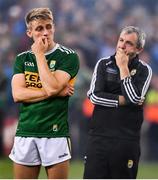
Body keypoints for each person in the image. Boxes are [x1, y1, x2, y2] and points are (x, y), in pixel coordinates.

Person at [9, 8, 79, 179]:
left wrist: (39, 55)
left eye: (49, 27)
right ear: (29, 32)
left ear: (54, 27)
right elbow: (18, 95)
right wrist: (54, 91)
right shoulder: (22, 59)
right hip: (26, 130)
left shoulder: (68, 56)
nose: (45, 32)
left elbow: (52, 87)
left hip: (55, 133)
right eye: (39, 28)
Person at [83, 26, 152, 179]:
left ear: (139, 49)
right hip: (99, 138)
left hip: (126, 140)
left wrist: (122, 67)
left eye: (128, 43)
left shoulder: (144, 70)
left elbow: (134, 98)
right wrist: (122, 100)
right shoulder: (103, 64)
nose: (121, 45)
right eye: (121, 40)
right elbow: (94, 96)